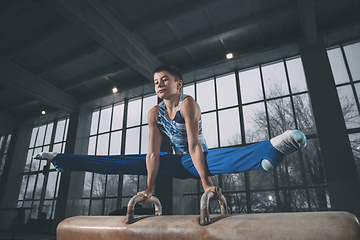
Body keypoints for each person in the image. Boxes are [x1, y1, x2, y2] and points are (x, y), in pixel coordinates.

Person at [34, 66, 306, 203]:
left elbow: (195, 146)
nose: (159, 85)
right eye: (155, 82)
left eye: (164, 79)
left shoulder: (189, 103)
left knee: (216, 157)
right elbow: (152, 153)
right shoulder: (154, 112)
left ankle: (269, 149)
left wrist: (206, 184)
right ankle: (65, 159)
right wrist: (150, 189)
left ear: (179, 83)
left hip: (196, 157)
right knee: (128, 161)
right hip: (174, 160)